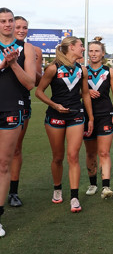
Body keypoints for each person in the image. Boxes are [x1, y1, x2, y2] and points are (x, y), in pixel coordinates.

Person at [35, 36, 94, 212]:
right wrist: (54, 105)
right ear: (71, 48)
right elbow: (39, 92)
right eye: (81, 46)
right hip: (55, 116)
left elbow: (85, 94)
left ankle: (74, 198)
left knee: (73, 156)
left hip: (76, 115)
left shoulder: (82, 70)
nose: (83, 49)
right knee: (58, 157)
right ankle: (57, 188)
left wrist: (90, 118)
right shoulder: (53, 68)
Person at [0, 8, 37, 236]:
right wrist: (3, 64)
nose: (7, 24)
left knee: (3, 164)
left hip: (11, 109)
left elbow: (30, 83)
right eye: (2, 21)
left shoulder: (27, 49)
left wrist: (13, 64)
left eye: (10, 20)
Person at [9, 16, 43, 207]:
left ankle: (13, 191)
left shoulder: (32, 50)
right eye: (18, 26)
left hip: (21, 101)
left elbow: (35, 81)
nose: (21, 30)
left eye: (25, 27)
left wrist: (33, 69)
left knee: (15, 148)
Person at [84, 37, 113, 199]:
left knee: (104, 152)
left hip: (106, 115)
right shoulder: (82, 71)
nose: (93, 54)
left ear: (103, 53)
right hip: (86, 116)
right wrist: (85, 92)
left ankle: (106, 187)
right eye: (91, 51)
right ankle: (93, 184)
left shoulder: (109, 71)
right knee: (91, 153)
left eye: (96, 51)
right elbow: (74, 91)